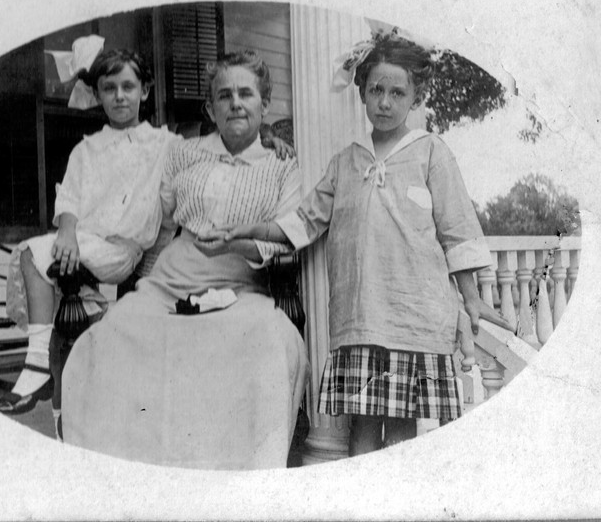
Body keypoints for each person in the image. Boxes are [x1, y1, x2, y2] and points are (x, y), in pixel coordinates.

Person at [215, 32, 511, 456]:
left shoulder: (431, 153)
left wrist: (471, 298)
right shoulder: (346, 162)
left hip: (414, 320)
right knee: (363, 430)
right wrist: (246, 229)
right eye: (376, 90)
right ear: (363, 94)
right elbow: (301, 223)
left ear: (415, 97)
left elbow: (458, 230)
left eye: (397, 92)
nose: (385, 102)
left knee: (404, 432)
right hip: (360, 320)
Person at [0, 38, 295, 428]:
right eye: (109, 88)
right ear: (97, 94)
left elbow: (234, 136)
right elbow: (77, 198)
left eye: (128, 87)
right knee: (49, 276)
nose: (119, 97)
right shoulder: (108, 149)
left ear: (145, 91)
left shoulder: (166, 143)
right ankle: (50, 385)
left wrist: (269, 137)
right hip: (98, 248)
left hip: (139, 256)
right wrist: (68, 230)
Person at [61, 50, 309, 470]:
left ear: (264, 105)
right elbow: (158, 218)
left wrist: (235, 243)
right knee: (112, 336)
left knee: (265, 342)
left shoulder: (283, 165)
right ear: (210, 107)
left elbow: (284, 239)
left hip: (241, 283)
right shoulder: (183, 152)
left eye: (246, 94)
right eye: (224, 95)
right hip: (170, 278)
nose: (235, 103)